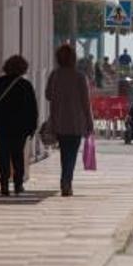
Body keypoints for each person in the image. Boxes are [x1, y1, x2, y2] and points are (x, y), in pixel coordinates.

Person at [0, 55, 39, 197]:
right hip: (19, 128)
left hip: (1, 126)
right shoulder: (25, 85)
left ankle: (4, 185)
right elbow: (32, 108)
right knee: (17, 154)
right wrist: (32, 127)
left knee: (2, 154)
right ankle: (18, 184)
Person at [46, 45, 94, 196]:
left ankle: (65, 180)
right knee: (71, 153)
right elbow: (86, 102)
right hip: (75, 121)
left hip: (59, 119)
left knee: (64, 152)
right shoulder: (80, 76)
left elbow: (48, 95)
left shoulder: (55, 75)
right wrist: (89, 121)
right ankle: (67, 181)